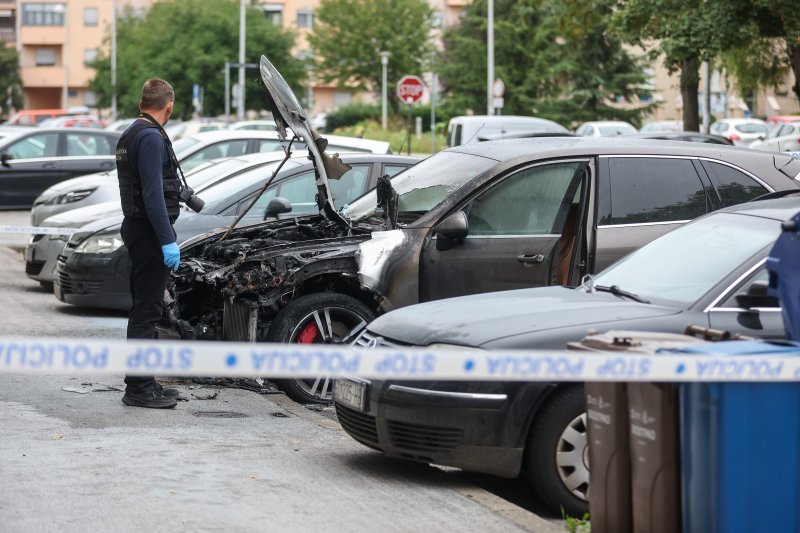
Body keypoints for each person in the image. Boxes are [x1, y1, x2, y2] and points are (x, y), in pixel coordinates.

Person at [116, 78, 182, 409]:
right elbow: (154, 196)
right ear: (168, 105)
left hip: (137, 228)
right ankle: (139, 388)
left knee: (145, 306)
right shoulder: (151, 137)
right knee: (148, 309)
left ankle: (146, 382)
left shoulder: (132, 132)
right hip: (149, 232)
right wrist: (168, 240)